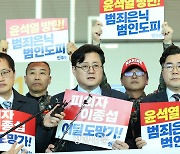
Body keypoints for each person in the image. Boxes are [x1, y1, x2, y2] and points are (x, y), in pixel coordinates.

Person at [45, 44, 130, 152]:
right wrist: (45, 130)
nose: (91, 70)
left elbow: (130, 138)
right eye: (85, 66)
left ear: (102, 68)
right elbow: (46, 142)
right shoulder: (59, 100)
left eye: (96, 65)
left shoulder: (120, 99)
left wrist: (127, 147)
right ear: (74, 70)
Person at [0, 52, 65, 153]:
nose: (1, 78)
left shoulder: (31, 105)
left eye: (5, 72)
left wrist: (44, 126)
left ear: (14, 74)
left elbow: (37, 147)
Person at [137, 45, 180, 148]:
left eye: (179, 66)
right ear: (162, 71)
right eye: (169, 67)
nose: (175, 71)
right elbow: (137, 137)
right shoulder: (148, 103)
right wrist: (139, 143)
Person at [120, 58, 148, 148]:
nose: (134, 76)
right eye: (129, 73)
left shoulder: (154, 101)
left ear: (147, 80)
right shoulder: (116, 102)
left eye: (139, 73)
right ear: (121, 81)